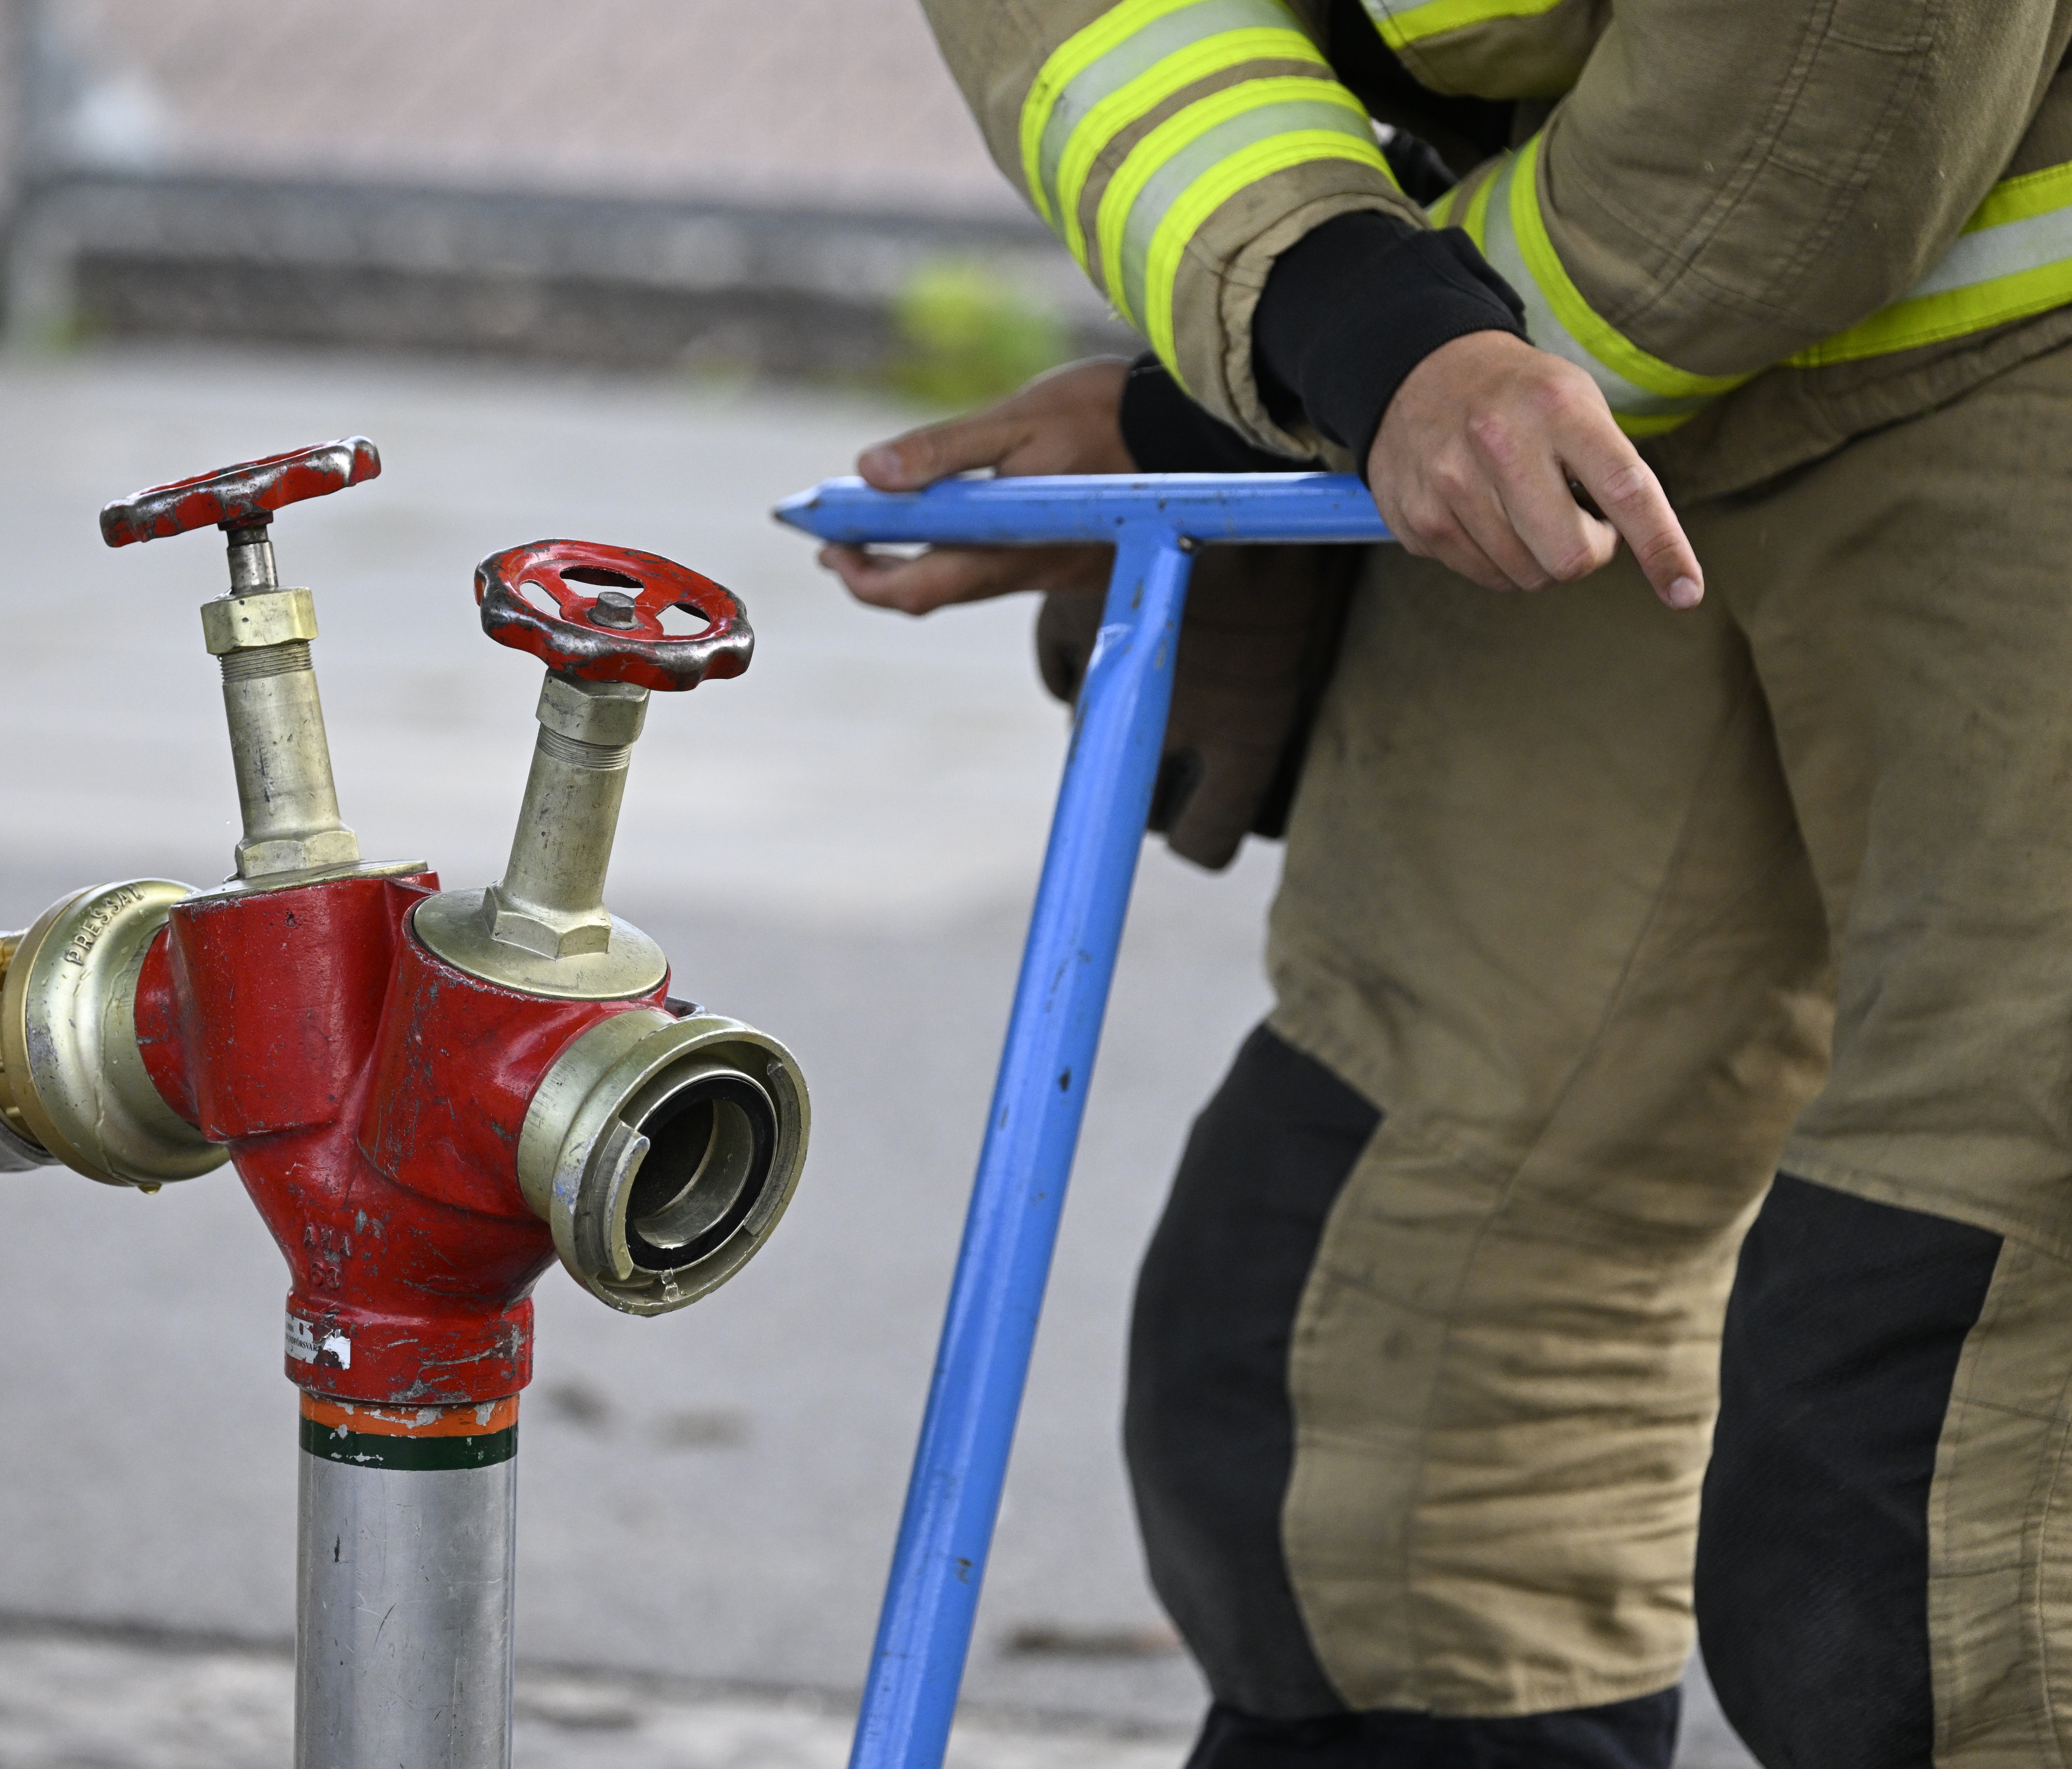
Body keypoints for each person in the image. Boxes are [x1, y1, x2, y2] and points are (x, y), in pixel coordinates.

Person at [820, 3, 2072, 1763]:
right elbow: (1105, 38)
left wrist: (1303, 395)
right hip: (1581, 337)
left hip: (1986, 297)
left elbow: (1815, 124)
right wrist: (1337, 338)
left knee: (1957, 1451)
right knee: (1363, 1371)